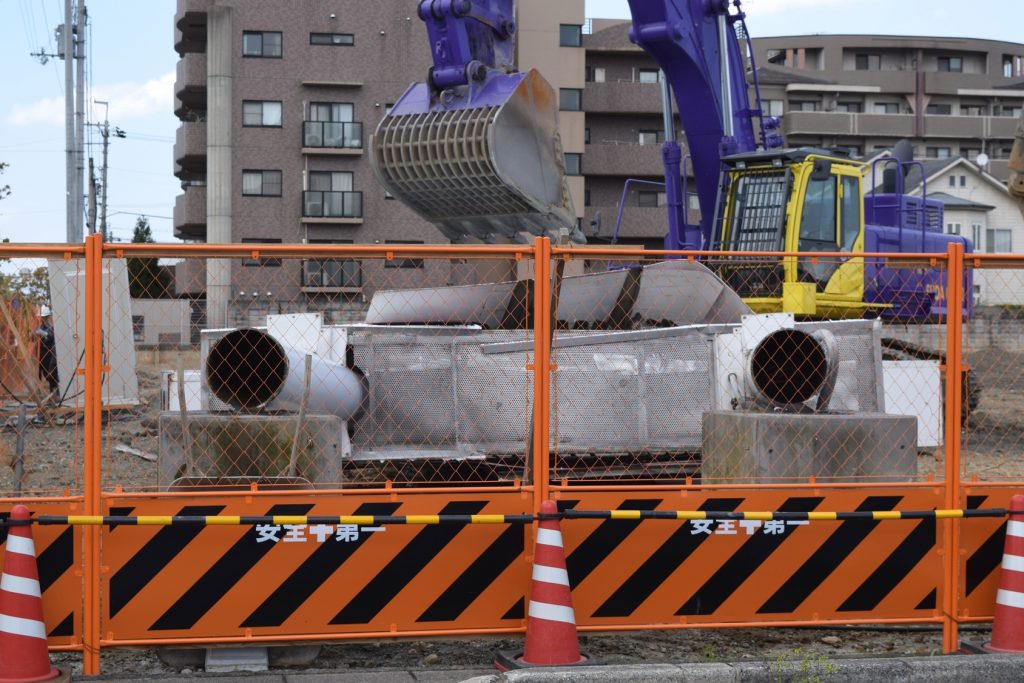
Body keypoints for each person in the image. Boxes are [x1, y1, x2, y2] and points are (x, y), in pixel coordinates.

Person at [35, 305, 59, 399]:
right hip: (43, 353)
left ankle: (55, 392)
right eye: (41, 317)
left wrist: (44, 333)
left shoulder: (51, 326)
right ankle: (53, 392)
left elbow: (52, 336)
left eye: (44, 317)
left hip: (51, 353)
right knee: (45, 373)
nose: (42, 319)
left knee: (52, 373)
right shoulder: (41, 326)